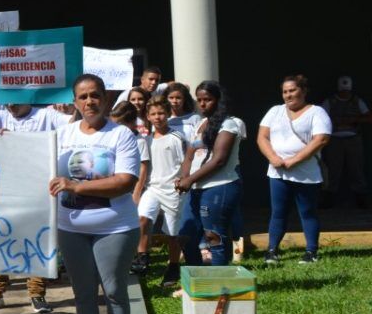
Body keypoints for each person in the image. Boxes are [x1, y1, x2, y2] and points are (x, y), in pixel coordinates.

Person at [49, 74, 141, 314]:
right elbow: (37, 164)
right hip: (71, 229)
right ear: (75, 102)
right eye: (83, 96)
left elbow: (125, 181)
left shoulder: (121, 136)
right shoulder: (61, 134)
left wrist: (76, 184)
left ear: (105, 99)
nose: (90, 101)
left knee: (114, 292)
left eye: (95, 95)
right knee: (83, 294)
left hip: (115, 228)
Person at [0, 75, 72, 313]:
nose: (11, 105)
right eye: (7, 100)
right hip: (4, 190)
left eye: (15, 100)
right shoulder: (1, 116)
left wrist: (72, 98)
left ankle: (37, 293)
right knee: (0, 240)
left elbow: (73, 123)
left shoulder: (46, 115)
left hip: (38, 193)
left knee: (37, 241)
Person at [258, 74, 332, 263]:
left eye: (292, 90)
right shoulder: (275, 111)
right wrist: (273, 158)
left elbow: (321, 138)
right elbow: (262, 136)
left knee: (307, 212)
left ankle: (311, 251)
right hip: (278, 172)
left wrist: (295, 160)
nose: (288, 95)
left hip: (306, 173)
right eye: (285, 91)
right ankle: (272, 250)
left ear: (304, 91)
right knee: (278, 211)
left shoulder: (317, 112)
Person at [176, 80, 245, 270]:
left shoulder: (230, 124)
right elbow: (189, 157)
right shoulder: (200, 124)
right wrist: (183, 177)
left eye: (207, 99)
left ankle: (218, 283)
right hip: (196, 188)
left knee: (214, 236)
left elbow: (219, 160)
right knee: (186, 236)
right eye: (199, 100)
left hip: (220, 186)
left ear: (218, 100)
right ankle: (196, 280)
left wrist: (189, 180)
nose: (202, 104)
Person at [132, 97, 186, 285]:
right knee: (142, 218)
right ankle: (142, 257)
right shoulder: (145, 140)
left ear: (168, 114)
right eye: (153, 114)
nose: (157, 117)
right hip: (153, 188)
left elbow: (186, 163)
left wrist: (183, 180)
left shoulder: (177, 137)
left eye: (161, 113)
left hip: (173, 191)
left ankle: (173, 267)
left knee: (172, 233)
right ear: (147, 116)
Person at [320, 75, 370, 207]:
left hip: (353, 138)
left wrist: (353, 120)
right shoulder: (330, 102)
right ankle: (328, 199)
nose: (345, 93)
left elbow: (368, 117)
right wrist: (333, 122)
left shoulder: (357, 101)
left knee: (356, 169)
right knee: (332, 170)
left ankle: (361, 199)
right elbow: (320, 117)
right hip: (335, 139)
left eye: (347, 90)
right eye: (343, 90)